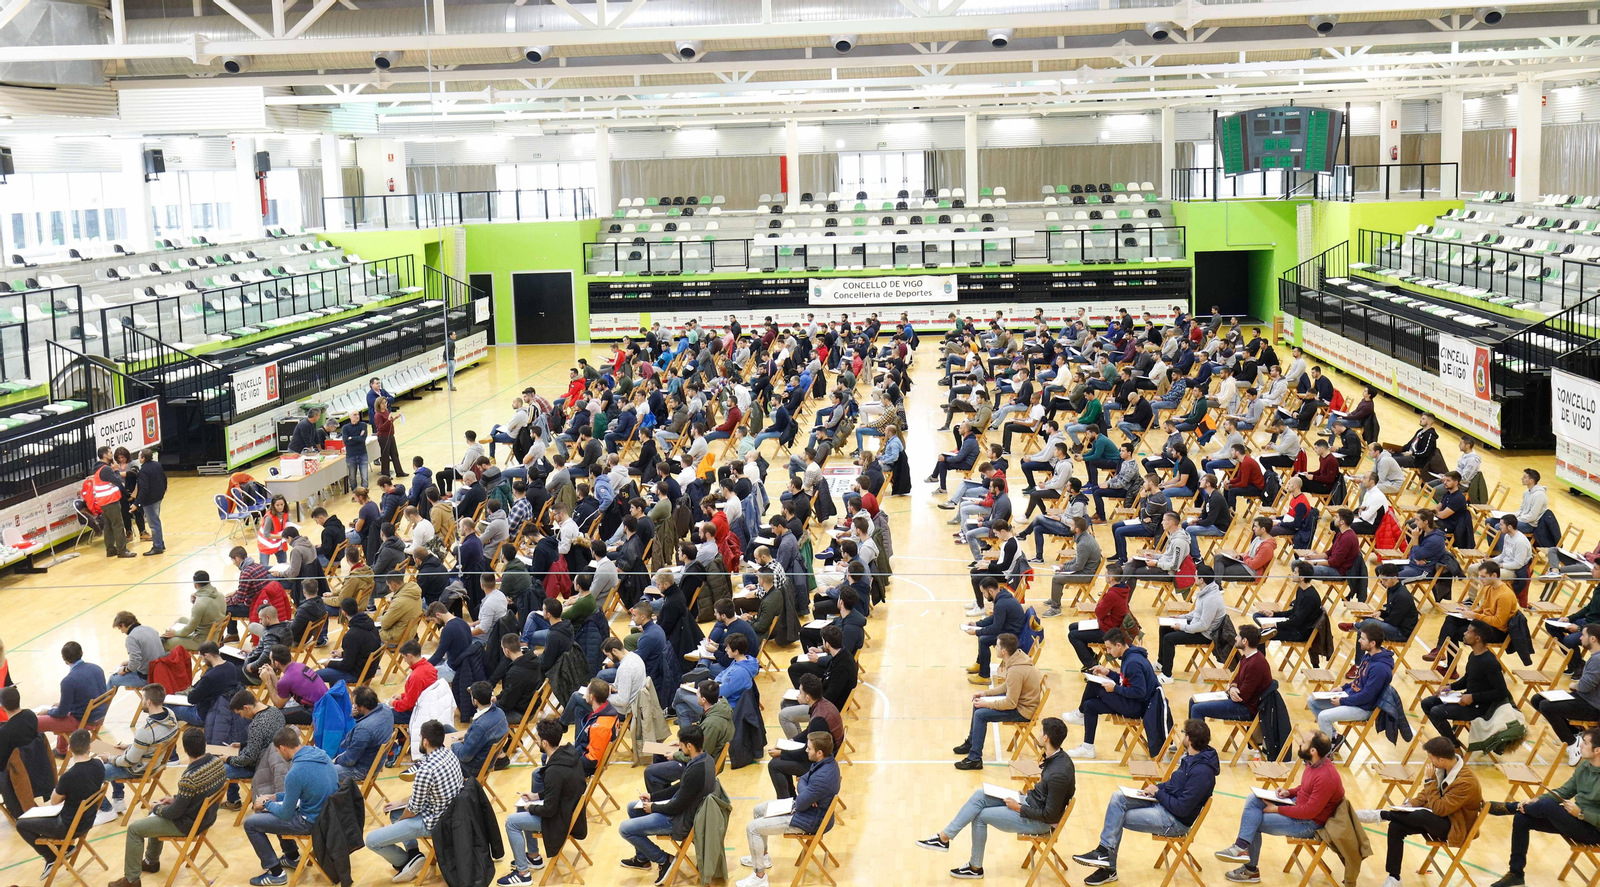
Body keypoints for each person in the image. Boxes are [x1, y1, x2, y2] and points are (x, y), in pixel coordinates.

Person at [915, 716, 1075, 880]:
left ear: (1046, 738)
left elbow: (1050, 815)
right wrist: (1021, 798)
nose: (1038, 733)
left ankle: (975, 867)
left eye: (1041, 731)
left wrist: (1018, 807)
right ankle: (944, 837)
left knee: (980, 816)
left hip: (1038, 821)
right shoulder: (1057, 757)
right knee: (980, 794)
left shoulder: (1058, 774)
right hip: (1029, 802)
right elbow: (1045, 795)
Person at [1071, 719, 1220, 886]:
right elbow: (1174, 785)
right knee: (1118, 797)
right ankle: (1104, 852)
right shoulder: (1192, 758)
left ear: (1189, 739)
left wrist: (1158, 793)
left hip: (1174, 821)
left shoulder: (1202, 772)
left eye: (1184, 733)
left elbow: (1182, 809)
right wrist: (1156, 789)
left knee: (1119, 816)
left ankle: (1108, 867)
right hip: (1165, 805)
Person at [1213, 730, 1345, 882]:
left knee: (1254, 822)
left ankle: (1250, 870)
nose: (1300, 743)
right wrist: (1289, 792)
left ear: (1313, 750)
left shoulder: (1326, 777)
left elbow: (1309, 812)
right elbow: (1306, 787)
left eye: (1304, 742)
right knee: (1253, 799)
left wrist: (1277, 809)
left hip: (1310, 823)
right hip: (1298, 805)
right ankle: (1240, 847)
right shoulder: (1314, 763)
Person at [1356, 737, 1482, 887]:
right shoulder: (1443, 768)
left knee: (1422, 815)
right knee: (1396, 826)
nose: (1429, 761)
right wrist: (1410, 805)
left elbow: (1440, 809)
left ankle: (1382, 815)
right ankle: (1394, 877)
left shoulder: (1466, 782)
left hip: (1455, 827)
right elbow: (1426, 795)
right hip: (1437, 818)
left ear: (1441, 760)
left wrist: (1429, 782)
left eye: (1431, 758)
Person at [110, 726, 226, 887]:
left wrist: (156, 808)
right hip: (206, 818)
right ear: (204, 744)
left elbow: (174, 813)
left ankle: (132, 880)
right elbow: (200, 794)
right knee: (157, 812)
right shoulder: (217, 763)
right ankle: (151, 861)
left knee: (135, 829)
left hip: (187, 824)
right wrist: (175, 799)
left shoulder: (189, 777)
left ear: (185, 750)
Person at [1488, 725, 1600, 887]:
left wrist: (1581, 814)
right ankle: (1516, 874)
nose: (1580, 745)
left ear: (1597, 750)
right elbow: (1564, 791)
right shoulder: (1584, 766)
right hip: (1575, 820)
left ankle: (1510, 807)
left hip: (1593, 830)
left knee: (1547, 805)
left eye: (1585, 743)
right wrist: (1536, 799)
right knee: (1522, 818)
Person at [736, 730, 841, 887]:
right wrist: (807, 793)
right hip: (806, 810)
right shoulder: (824, 762)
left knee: (753, 828)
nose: (806, 750)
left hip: (809, 820)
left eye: (809, 748)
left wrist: (806, 795)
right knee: (758, 810)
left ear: (819, 752)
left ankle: (759, 876)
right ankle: (763, 857)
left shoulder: (822, 777)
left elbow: (801, 803)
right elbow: (803, 780)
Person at [366, 718, 464, 882]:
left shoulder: (425, 771)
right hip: (448, 814)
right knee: (395, 812)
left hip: (432, 823)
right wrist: (399, 803)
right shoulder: (449, 754)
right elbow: (427, 794)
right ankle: (414, 854)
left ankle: (404, 861)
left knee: (371, 840)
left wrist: (400, 823)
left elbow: (412, 810)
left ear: (425, 741)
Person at [619, 723, 716, 883]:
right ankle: (642, 859)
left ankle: (664, 860)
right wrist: (652, 796)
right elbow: (679, 788)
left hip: (680, 820)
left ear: (689, 746)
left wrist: (653, 807)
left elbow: (676, 806)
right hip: (683, 810)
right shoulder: (706, 759)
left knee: (625, 829)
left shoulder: (695, 771)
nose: (680, 749)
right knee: (632, 808)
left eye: (681, 745)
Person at [242, 726, 337, 886]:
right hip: (328, 816)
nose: (279, 755)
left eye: (278, 751)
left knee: (251, 823)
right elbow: (301, 790)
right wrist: (274, 797)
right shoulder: (321, 755)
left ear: (283, 748)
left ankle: (276, 873)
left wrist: (266, 803)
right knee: (275, 809)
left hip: (311, 822)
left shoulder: (295, 772)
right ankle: (292, 857)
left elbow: (285, 813)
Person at [500, 718, 585, 885]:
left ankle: (523, 874)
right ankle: (533, 856)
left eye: (537, 738)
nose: (536, 740)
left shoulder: (554, 771)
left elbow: (549, 810)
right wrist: (536, 796)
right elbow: (561, 790)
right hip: (568, 810)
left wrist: (531, 807)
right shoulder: (570, 755)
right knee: (521, 810)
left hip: (560, 820)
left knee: (511, 822)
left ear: (545, 743)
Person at [15, 729, 104, 880]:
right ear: (89, 747)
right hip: (87, 821)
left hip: (68, 826)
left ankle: (51, 857)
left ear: (69, 749)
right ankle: (65, 848)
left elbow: (54, 801)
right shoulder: (98, 765)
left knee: (21, 824)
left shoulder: (69, 776)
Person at [1062, 628, 1156, 759]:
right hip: (1131, 701)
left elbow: (1139, 692)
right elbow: (1125, 681)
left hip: (1136, 707)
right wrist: (1108, 673)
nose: (1108, 652)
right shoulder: (1129, 656)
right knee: (1090, 705)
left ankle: (1079, 714)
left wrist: (1115, 688)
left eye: (1109, 648)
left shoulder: (1133, 663)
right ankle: (1088, 747)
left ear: (1119, 645)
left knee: (1094, 684)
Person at [954, 633, 1043, 770]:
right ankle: (972, 743)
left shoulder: (1016, 670)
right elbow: (1007, 686)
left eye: (997, 645)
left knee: (980, 714)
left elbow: (1010, 703)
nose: (994, 647)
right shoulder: (1017, 658)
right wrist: (985, 694)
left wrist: (987, 704)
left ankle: (974, 759)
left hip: (1023, 711)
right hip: (1020, 703)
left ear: (1004, 651)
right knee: (978, 704)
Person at [1421, 620, 1510, 748]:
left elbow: (1502, 692)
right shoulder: (1474, 655)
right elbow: (1468, 678)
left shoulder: (1490, 662)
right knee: (1427, 703)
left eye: (1468, 632)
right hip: (1468, 699)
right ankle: (1450, 739)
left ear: (1478, 638)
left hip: (1480, 708)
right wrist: (1450, 687)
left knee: (1437, 712)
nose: (1464, 633)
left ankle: (1453, 746)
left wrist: (1473, 697)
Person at [1308, 623, 1395, 742]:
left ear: (1372, 643)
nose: (1359, 640)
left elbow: (1367, 696)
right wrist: (1343, 688)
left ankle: (1326, 750)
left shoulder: (1380, 669)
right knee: (1312, 701)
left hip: (1363, 708)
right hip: (1352, 698)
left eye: (1362, 639)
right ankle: (1333, 737)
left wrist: (1342, 701)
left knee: (1324, 717)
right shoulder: (1368, 656)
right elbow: (1359, 680)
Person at [101, 684, 179, 808]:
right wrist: (130, 746)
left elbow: (129, 761)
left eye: (143, 699)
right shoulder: (170, 715)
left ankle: (106, 809)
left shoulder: (146, 731)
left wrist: (110, 758)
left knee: (92, 774)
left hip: (138, 769)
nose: (141, 701)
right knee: (112, 755)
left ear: (148, 702)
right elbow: (153, 743)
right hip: (154, 764)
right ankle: (118, 799)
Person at [1187, 624, 1272, 725]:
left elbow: (1242, 697)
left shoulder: (1255, 665)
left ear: (1244, 641)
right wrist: (1232, 687)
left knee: (1197, 709)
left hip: (1246, 709)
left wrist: (1231, 690)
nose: (1235, 638)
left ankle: (1197, 735)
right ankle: (1191, 733)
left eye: (1238, 636)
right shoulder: (1247, 656)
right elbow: (1236, 678)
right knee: (1193, 701)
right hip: (1237, 700)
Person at [37, 641, 108, 755]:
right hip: (99, 716)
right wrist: (62, 704)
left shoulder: (68, 681)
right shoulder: (97, 668)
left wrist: (48, 711)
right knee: (60, 709)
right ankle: (61, 750)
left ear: (63, 658)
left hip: (83, 721)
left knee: (35, 722)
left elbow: (61, 713)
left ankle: (39, 757)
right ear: (81, 653)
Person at [1340, 563, 1418, 644]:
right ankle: (1358, 629)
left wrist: (1376, 622)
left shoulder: (1402, 596)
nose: (1382, 583)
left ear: (1394, 578)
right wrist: (1381, 613)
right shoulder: (1391, 589)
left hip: (1400, 633)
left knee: (1369, 623)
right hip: (1394, 626)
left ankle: (1355, 626)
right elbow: (1390, 611)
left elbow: (1393, 621)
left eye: (1385, 580)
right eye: (1382, 580)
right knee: (1363, 630)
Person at [334, 686, 395, 783]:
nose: (353, 706)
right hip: (376, 762)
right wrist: (358, 714)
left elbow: (349, 760)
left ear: (362, 707)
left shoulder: (363, 730)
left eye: (355, 704)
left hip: (362, 769)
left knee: (322, 772)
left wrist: (335, 761)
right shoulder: (386, 709)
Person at [449, 681, 509, 777]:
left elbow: (465, 756)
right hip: (483, 756)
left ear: (475, 701)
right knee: (446, 728)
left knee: (443, 747)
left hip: (473, 768)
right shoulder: (499, 712)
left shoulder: (480, 726)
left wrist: (454, 744)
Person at [91, 445, 136, 558]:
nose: (112, 455)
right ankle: (122, 550)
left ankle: (110, 549)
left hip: (103, 501)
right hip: (110, 500)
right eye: (110, 453)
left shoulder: (97, 468)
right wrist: (116, 470)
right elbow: (118, 481)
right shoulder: (106, 469)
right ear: (105, 455)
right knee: (118, 525)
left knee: (108, 526)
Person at [110, 610, 164, 690]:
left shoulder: (131, 638)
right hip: (160, 672)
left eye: (120, 628)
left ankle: (101, 699)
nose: (121, 632)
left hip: (146, 677)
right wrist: (129, 662)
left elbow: (134, 664)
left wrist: (124, 669)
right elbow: (149, 652)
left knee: (113, 679)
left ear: (123, 624)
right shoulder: (151, 629)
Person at [133, 448, 167, 556]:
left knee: (154, 523)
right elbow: (164, 478)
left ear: (143, 458)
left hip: (150, 500)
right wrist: (163, 490)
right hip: (158, 497)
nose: (138, 458)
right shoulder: (157, 465)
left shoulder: (143, 470)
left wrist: (137, 503)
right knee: (156, 521)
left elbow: (144, 489)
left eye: (139, 456)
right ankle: (160, 543)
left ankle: (157, 546)